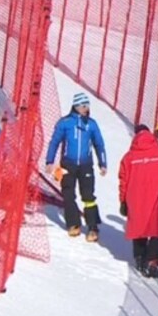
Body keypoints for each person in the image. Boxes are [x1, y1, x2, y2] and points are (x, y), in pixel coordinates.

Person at [118, 125, 158, 278]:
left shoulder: (128, 157)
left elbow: (123, 181)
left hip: (135, 199)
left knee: (139, 230)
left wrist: (123, 201)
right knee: (155, 231)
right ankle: (152, 262)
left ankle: (139, 259)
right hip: (156, 199)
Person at [45, 92, 107, 242]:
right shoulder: (65, 122)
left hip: (86, 165)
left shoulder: (91, 124)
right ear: (76, 106)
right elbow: (54, 142)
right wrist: (49, 161)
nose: (86, 108)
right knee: (68, 194)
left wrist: (103, 163)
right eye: (83, 106)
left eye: (87, 105)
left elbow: (99, 144)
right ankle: (73, 224)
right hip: (68, 164)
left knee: (88, 196)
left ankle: (93, 227)